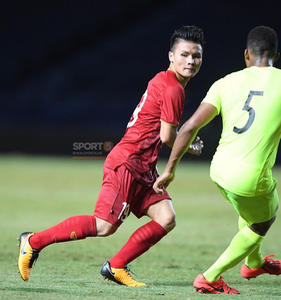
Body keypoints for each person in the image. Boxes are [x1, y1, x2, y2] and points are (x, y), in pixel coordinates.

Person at [18, 25, 205, 287]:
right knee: (104, 226)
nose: (191, 61)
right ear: (171, 56)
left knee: (166, 217)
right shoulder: (174, 88)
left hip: (143, 168)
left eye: (196, 56)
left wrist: (183, 138)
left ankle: (116, 266)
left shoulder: (165, 80)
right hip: (128, 163)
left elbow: (165, 131)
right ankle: (33, 241)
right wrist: (190, 145)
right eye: (184, 54)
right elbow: (167, 137)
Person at [154, 25, 281, 294]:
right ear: (276, 56)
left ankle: (253, 262)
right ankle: (210, 277)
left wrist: (170, 170)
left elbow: (187, 128)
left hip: (219, 169)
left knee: (254, 210)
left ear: (246, 55)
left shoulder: (224, 82)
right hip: (249, 176)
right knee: (263, 219)